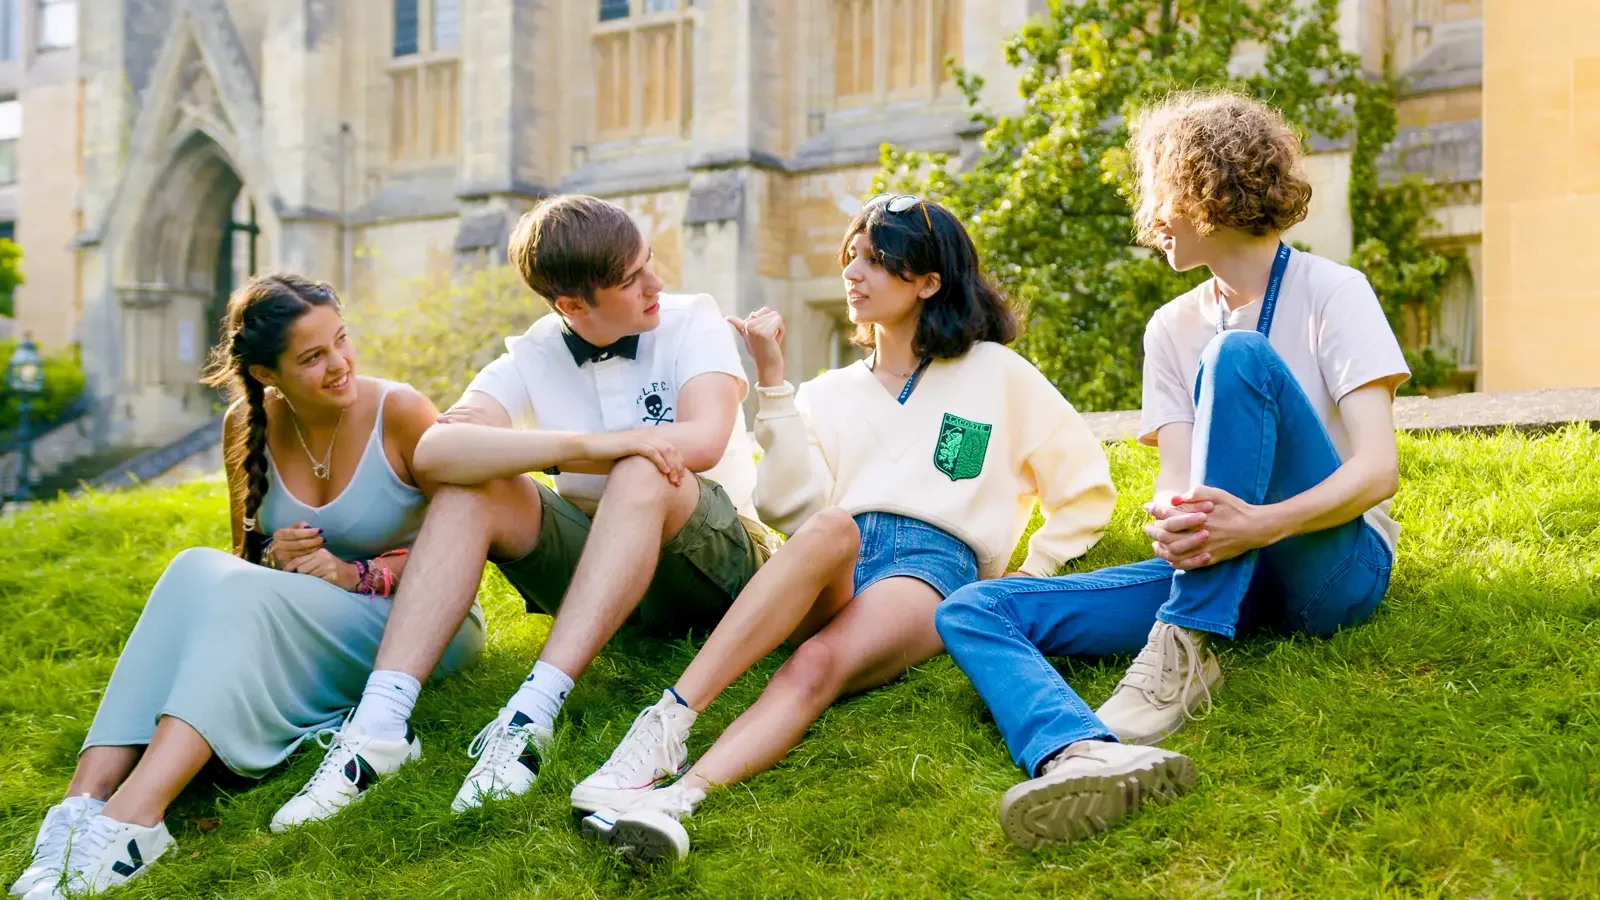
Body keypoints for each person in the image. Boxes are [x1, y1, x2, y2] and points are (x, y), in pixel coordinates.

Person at [575, 194, 1118, 862]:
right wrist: (773, 380)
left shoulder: (995, 372)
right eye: (850, 256)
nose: (853, 273)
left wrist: (1030, 573)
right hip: (838, 554)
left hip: (930, 566)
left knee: (815, 663)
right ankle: (665, 726)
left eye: (877, 260)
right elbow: (789, 508)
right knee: (831, 526)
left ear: (928, 282)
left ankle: (675, 802)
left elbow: (1084, 487)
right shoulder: (827, 393)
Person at [935, 91, 1410, 850]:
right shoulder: (1171, 326)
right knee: (971, 609)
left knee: (1239, 356)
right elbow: (1178, 480)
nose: (1149, 215)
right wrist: (1171, 520)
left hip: (1330, 564)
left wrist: (1260, 525)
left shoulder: (1333, 292)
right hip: (1230, 570)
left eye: (1159, 189)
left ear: (1205, 188)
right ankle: (1082, 753)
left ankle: (1182, 644)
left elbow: (1378, 470)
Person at [271, 194, 773, 829]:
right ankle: (379, 728)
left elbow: (701, 441)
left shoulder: (691, 320)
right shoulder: (533, 353)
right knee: (471, 485)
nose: (656, 283)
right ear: (571, 305)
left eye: (648, 262)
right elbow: (437, 452)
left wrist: (618, 451)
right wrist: (583, 446)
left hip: (714, 567)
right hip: (604, 578)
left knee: (645, 467)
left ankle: (530, 714)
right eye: (631, 279)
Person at [9, 275, 484, 899]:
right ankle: (80, 806)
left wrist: (358, 572)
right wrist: (275, 554)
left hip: (416, 626)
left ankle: (134, 817)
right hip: (311, 621)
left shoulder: (399, 411)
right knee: (192, 566)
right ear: (266, 373)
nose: (339, 364)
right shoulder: (247, 423)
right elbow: (245, 562)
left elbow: (469, 536)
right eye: (312, 357)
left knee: (232, 590)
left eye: (340, 341)